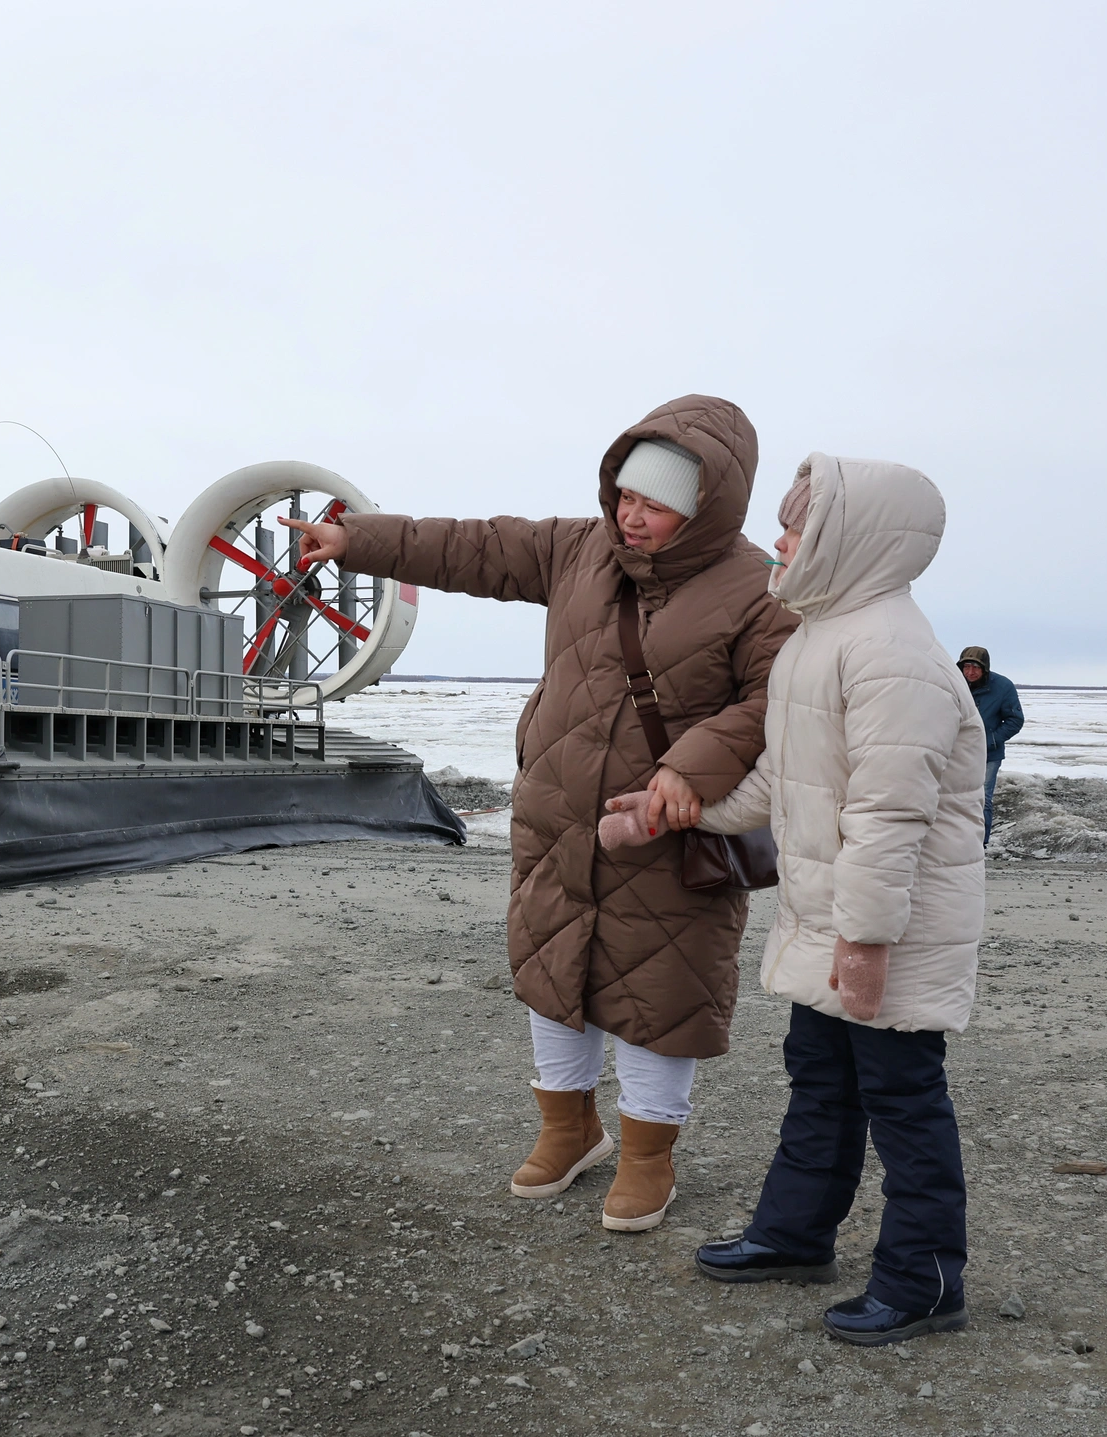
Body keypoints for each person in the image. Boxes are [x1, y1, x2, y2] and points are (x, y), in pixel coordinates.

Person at [284, 395, 796, 1233]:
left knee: (658, 992)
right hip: (559, 814)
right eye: (626, 494)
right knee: (551, 973)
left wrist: (689, 767)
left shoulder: (755, 589)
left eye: (656, 504)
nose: (631, 516)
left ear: (709, 506)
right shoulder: (576, 548)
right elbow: (472, 547)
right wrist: (358, 540)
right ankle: (569, 1130)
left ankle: (647, 1159)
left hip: (664, 828)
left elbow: (774, 698)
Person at [659, 454, 986, 1347]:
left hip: (890, 929)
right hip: (829, 920)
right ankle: (795, 1235)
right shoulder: (820, 636)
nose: (780, 539)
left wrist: (868, 940)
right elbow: (786, 776)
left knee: (903, 1100)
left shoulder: (892, 653)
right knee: (820, 1083)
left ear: (851, 540)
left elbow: (890, 812)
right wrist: (690, 808)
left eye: (798, 525)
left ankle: (924, 1281)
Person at [958, 646, 1023, 843]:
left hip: (988, 755)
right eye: (966, 667)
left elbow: (1015, 720)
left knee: (982, 799)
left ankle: (979, 845)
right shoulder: (952, 683)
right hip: (956, 752)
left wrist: (989, 741)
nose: (970, 672)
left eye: (975, 667)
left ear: (985, 668)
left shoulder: (1002, 687)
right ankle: (955, 844)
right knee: (953, 798)